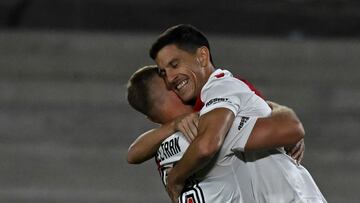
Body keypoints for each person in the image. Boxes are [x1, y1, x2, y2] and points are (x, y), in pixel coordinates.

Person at [148, 24, 326, 203]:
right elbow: (133, 153)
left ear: (202, 57)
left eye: (175, 64)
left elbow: (207, 146)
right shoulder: (209, 108)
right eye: (164, 73)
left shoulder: (220, 87)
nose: (170, 79)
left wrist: (175, 179)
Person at [127, 66, 307, 203]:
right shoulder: (202, 133)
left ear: (151, 118)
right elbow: (288, 129)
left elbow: (132, 154)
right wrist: (273, 109)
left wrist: (172, 125)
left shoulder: (160, 146)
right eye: (175, 85)